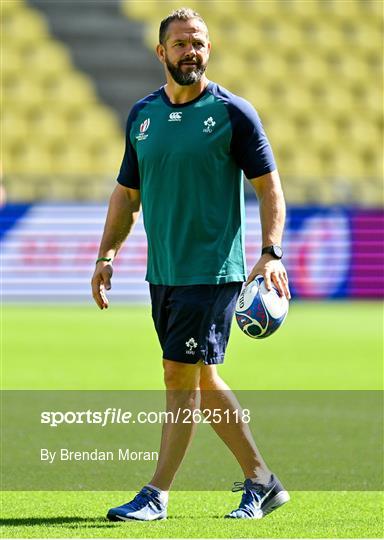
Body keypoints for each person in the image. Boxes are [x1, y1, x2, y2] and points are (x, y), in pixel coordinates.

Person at [91, 7, 291, 521]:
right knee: (201, 378)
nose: (190, 52)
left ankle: (156, 494)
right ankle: (263, 481)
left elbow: (270, 189)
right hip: (164, 274)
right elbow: (125, 193)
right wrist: (105, 256)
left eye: (198, 42)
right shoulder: (142, 116)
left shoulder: (232, 113)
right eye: (180, 44)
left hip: (214, 272)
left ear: (209, 49)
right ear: (161, 52)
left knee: (178, 376)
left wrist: (270, 252)